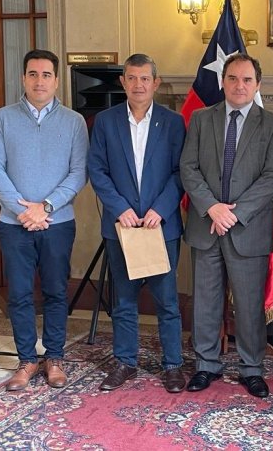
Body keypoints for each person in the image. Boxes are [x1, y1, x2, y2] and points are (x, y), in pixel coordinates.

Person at [180, 53, 273, 398]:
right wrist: (212, 208)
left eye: (246, 80)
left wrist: (234, 214)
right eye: (232, 78)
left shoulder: (272, 124)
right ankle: (206, 364)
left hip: (247, 229)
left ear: (257, 85)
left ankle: (251, 368)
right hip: (206, 225)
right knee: (205, 301)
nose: (239, 85)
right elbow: (188, 168)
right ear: (223, 81)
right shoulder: (201, 118)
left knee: (249, 304)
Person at [0, 49, 88, 391]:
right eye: (33, 74)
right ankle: (27, 360)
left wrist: (45, 207)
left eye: (46, 75)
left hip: (58, 224)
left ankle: (54, 358)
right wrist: (22, 211)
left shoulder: (74, 122)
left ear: (56, 81)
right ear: (23, 78)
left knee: (57, 291)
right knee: (19, 294)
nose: (39, 81)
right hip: (14, 226)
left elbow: (79, 173)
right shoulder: (3, 118)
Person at [88, 54, 187, 393]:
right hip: (123, 228)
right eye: (131, 78)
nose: (138, 84)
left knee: (167, 302)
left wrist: (161, 208)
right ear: (123, 82)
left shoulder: (173, 123)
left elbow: (181, 172)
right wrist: (120, 209)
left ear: (155, 83)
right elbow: (97, 170)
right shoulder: (105, 121)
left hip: (160, 227)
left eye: (145, 78)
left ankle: (173, 365)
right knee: (124, 301)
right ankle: (125, 362)